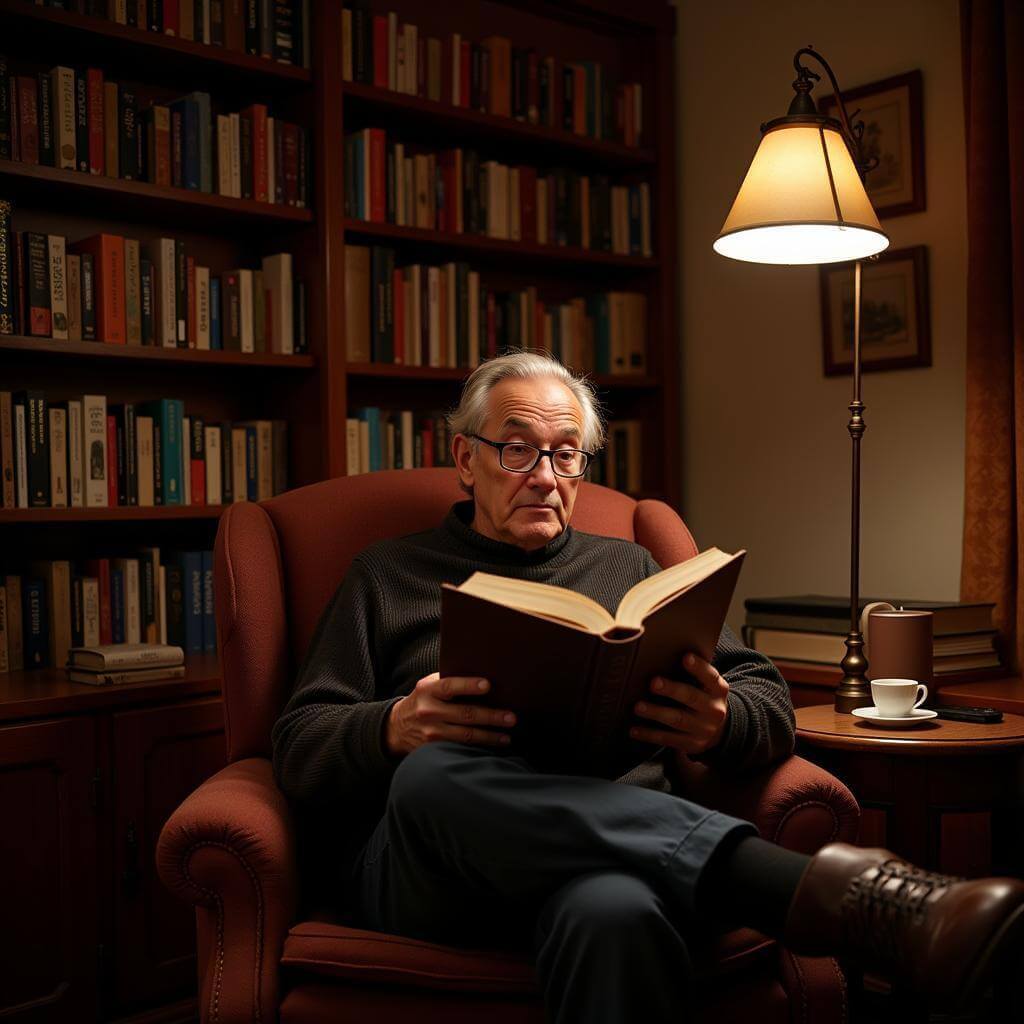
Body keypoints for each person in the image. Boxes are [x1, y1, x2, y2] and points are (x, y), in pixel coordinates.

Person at [272, 351, 1024, 1022]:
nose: (544, 476)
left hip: (608, 868)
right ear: (466, 460)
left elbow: (765, 697)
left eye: (567, 456)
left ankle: (815, 894)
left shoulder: (629, 568)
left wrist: (720, 721)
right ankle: (822, 896)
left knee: (621, 914)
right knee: (434, 774)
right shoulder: (385, 575)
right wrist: (393, 726)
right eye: (516, 449)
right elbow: (298, 744)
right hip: (433, 873)